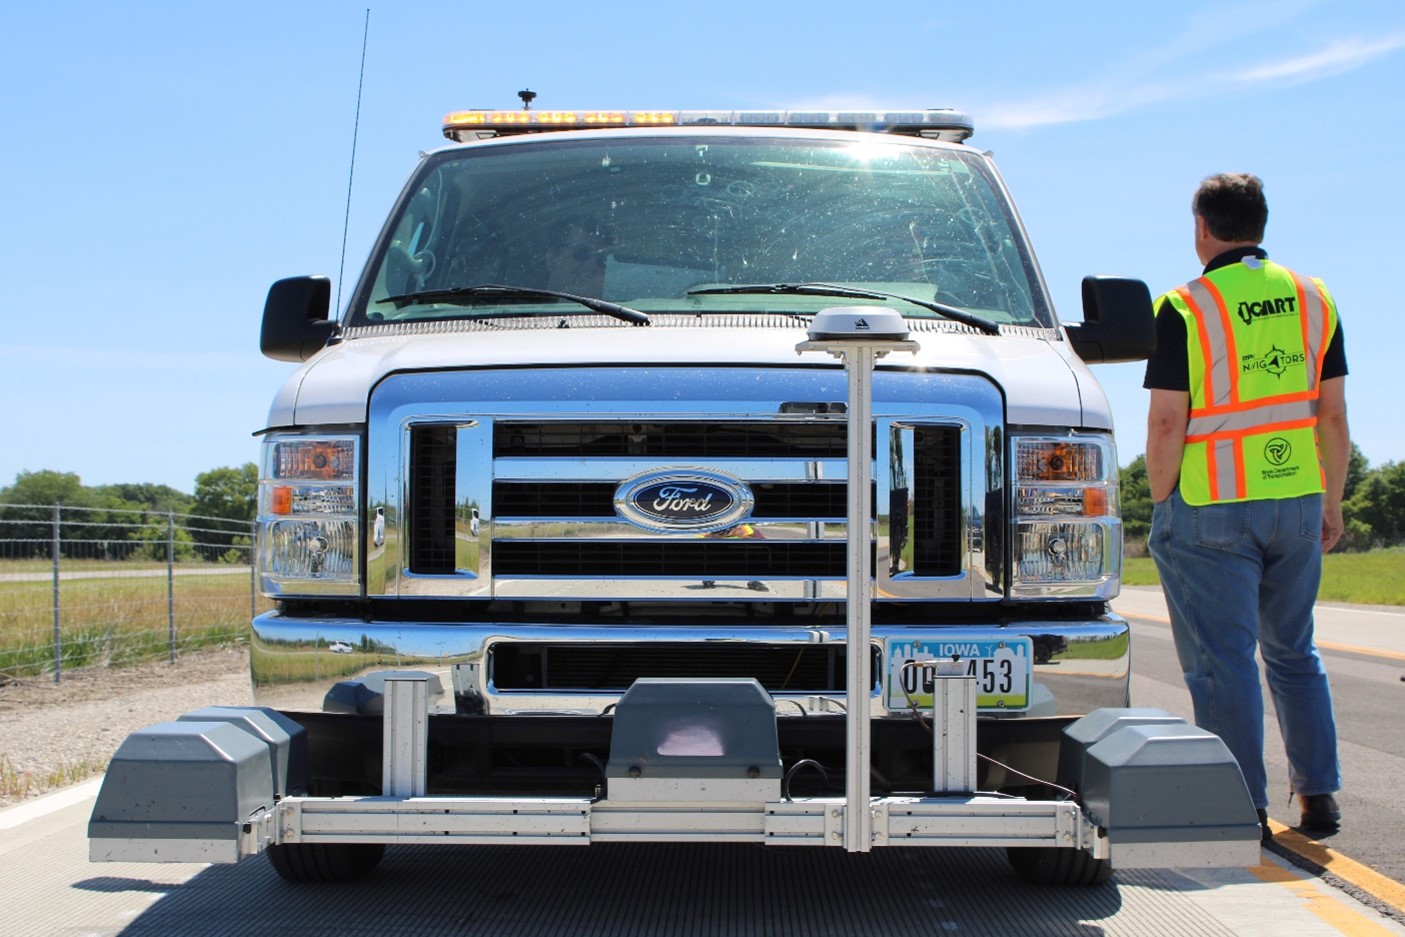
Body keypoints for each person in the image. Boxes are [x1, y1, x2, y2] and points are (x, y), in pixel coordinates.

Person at [1143, 172, 1350, 842]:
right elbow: (1333, 416)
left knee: (1223, 661)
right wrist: (1332, 499)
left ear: (1202, 227)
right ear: (1258, 224)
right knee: (1293, 651)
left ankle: (1241, 806)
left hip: (1210, 505)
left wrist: (1161, 497)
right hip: (1294, 501)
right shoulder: (1312, 298)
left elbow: (1168, 422)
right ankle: (1318, 798)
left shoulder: (1184, 305)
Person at [542, 216, 612, 297]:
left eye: (601, 258)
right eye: (582, 252)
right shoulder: (525, 306)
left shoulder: (625, 306)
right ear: (552, 257)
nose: (592, 265)